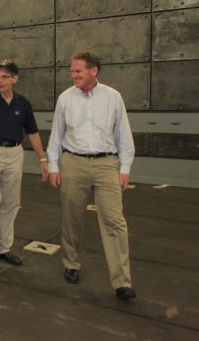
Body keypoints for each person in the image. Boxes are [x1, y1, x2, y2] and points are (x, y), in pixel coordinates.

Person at [47, 51, 136, 300]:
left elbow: (124, 136)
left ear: (94, 70)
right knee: (71, 217)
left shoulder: (113, 98)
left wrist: (125, 169)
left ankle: (122, 282)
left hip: (107, 163)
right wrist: (54, 166)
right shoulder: (65, 99)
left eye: (78, 71)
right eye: (72, 71)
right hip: (72, 162)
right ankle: (71, 264)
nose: (73, 75)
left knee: (114, 220)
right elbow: (56, 134)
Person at [0, 59, 48, 266]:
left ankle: (3, 248)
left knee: (11, 203)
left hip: (14, 154)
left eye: (5, 77)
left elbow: (32, 133)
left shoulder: (23, 104)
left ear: (15, 79)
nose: (0, 81)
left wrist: (43, 158)